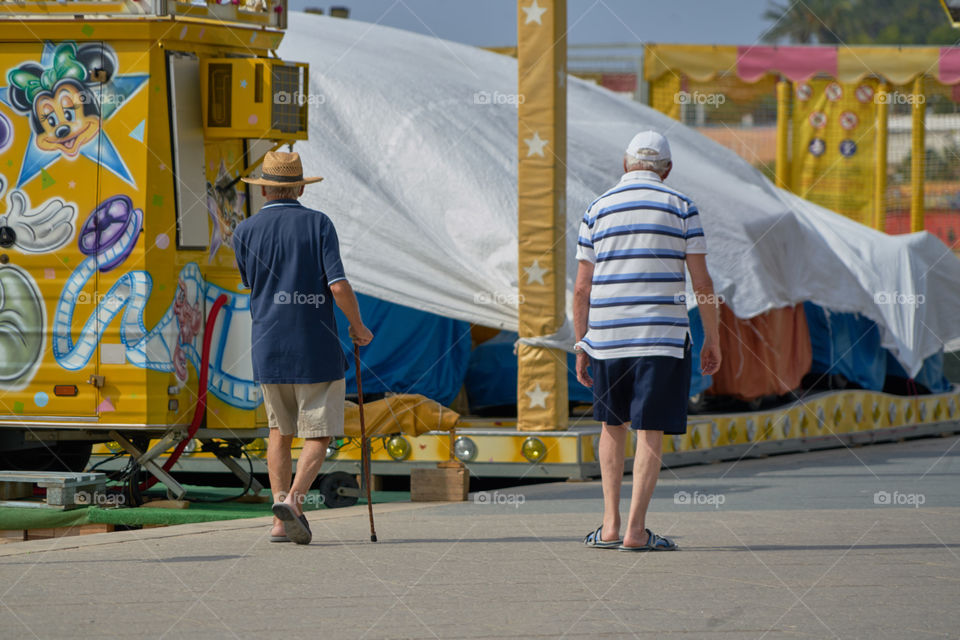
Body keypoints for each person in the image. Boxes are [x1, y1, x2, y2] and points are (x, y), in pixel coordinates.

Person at [574, 131, 721, 551]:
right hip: (661, 338)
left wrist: (581, 342)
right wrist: (713, 337)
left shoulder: (596, 209)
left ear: (625, 165)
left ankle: (609, 526)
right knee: (649, 429)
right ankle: (637, 531)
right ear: (668, 169)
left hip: (607, 338)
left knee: (611, 425)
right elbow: (702, 281)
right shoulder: (682, 207)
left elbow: (582, 287)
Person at [233, 150, 373, 545]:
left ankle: (278, 518)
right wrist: (358, 327)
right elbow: (338, 286)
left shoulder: (244, 232)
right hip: (316, 347)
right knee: (321, 432)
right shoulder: (318, 224)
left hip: (267, 345)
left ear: (263, 190)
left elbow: (251, 284)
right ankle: (293, 501)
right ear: (297, 187)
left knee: (279, 431)